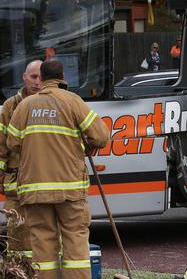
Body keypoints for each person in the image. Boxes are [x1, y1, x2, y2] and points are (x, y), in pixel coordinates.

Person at [6, 59, 110, 279]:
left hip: (34, 191)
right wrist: (85, 144)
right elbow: (101, 137)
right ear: (63, 78)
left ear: (42, 79)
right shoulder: (73, 101)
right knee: (75, 242)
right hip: (70, 189)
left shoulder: (25, 106)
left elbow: (12, 143)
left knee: (42, 245)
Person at [0, 60, 43, 259]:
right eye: (33, 77)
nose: (37, 82)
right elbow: (1, 145)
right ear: (24, 77)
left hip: (44, 182)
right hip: (16, 183)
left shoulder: (50, 103)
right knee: (17, 235)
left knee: (45, 234)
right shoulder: (10, 106)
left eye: (42, 77)